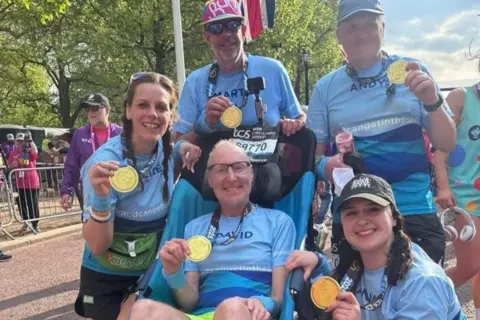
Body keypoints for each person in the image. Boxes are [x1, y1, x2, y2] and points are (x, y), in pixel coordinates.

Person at [306, 0, 456, 265]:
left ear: (383, 28)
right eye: (352, 27)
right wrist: (326, 165)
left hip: (412, 209)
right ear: (339, 35)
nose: (361, 34)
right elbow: (313, 159)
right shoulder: (325, 88)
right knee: (357, 305)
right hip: (355, 215)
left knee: (424, 301)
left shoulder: (413, 71)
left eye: (369, 25)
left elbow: (446, 142)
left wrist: (432, 101)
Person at [73, 73, 201, 320]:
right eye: (143, 105)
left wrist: (185, 148)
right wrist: (100, 196)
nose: (152, 113)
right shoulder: (103, 164)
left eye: (161, 107)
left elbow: (177, 147)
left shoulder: (166, 151)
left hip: (147, 272)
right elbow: (97, 244)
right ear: (128, 110)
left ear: (171, 116)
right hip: (104, 274)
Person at [128, 141, 296, 320]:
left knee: (231, 308)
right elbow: (190, 303)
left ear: (251, 173)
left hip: (250, 313)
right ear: (210, 179)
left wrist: (264, 303)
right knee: (142, 309)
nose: (231, 177)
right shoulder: (195, 228)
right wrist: (173, 271)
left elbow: (278, 297)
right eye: (221, 169)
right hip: (203, 316)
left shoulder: (278, 222)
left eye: (239, 167)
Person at [288, 174, 466, 319]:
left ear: (394, 218)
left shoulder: (423, 282)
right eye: (351, 213)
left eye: (373, 209)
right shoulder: (356, 263)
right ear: (342, 224)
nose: (362, 220)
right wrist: (319, 262)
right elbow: (337, 285)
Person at [173, 0, 305, 141]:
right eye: (216, 28)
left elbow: (300, 118)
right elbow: (178, 143)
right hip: (214, 161)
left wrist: (293, 124)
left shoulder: (273, 69)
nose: (226, 34)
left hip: (266, 160)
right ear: (207, 38)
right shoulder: (195, 82)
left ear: (242, 31)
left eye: (233, 25)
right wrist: (203, 124)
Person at [434, 81, 480, 319]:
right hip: (466, 197)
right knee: (470, 266)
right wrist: (443, 187)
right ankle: (423, 299)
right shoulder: (461, 98)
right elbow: (440, 149)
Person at [60, 93, 122, 211]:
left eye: (95, 108)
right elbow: (71, 166)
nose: (91, 112)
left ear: (107, 110)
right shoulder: (80, 134)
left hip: (117, 191)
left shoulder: (120, 134)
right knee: (93, 227)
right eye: (88, 109)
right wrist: (66, 191)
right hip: (89, 192)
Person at [8, 132, 41, 233]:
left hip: (31, 182)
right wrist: (13, 164)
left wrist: (31, 141)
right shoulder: (13, 152)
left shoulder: (29, 150)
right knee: (21, 205)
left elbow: (35, 152)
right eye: (18, 141)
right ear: (15, 142)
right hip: (19, 183)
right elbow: (10, 165)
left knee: (32, 204)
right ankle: (26, 222)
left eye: (22, 141)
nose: (20, 143)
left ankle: (35, 224)